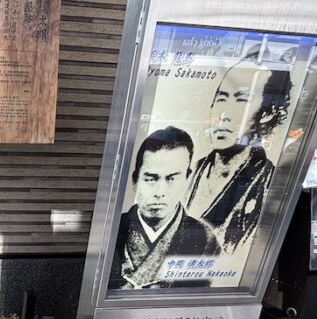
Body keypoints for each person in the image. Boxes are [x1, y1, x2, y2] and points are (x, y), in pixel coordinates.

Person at [185, 51, 292, 255]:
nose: (224, 114)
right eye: (221, 99)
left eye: (241, 100)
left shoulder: (269, 185)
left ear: (266, 113)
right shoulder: (190, 170)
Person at [109, 126, 221, 289]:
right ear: (135, 180)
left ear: (187, 179)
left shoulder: (205, 238)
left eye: (171, 179)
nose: (160, 192)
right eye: (151, 179)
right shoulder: (113, 228)